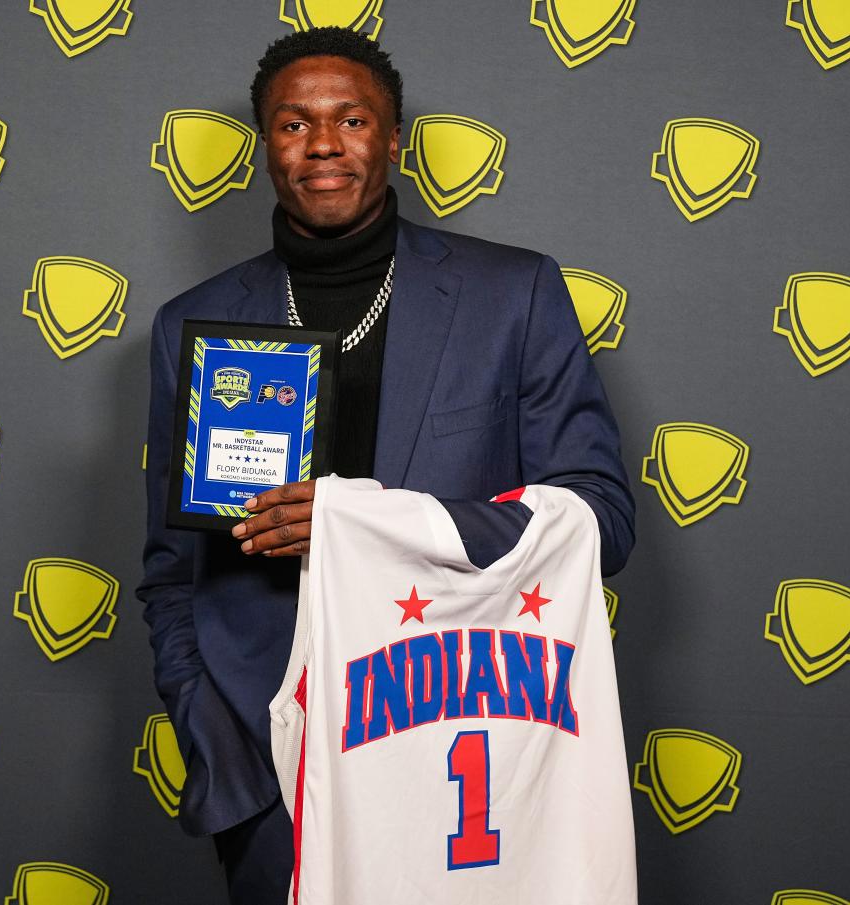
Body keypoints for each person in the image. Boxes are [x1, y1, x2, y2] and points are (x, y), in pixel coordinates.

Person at [137, 27, 635, 905]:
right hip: (271, 762)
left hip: (457, 744)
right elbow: (171, 574)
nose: (322, 143)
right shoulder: (196, 323)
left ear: (394, 138)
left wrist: (370, 523)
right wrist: (216, 742)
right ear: (265, 145)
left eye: (351, 118)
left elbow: (601, 517)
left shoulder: (510, 294)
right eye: (292, 124)